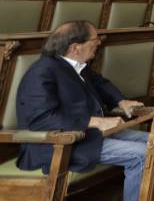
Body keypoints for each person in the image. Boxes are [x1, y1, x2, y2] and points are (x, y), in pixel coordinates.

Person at [16, 21, 147, 201]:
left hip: (89, 136)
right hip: (60, 145)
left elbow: (101, 83)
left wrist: (121, 101)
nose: (99, 43)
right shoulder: (41, 72)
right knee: (143, 154)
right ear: (75, 47)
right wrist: (96, 121)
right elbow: (41, 119)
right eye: (95, 39)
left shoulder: (75, 65)